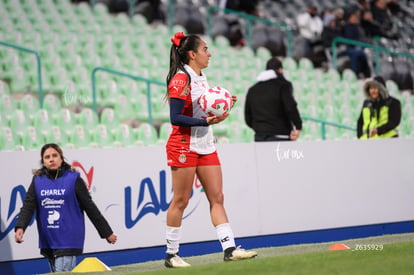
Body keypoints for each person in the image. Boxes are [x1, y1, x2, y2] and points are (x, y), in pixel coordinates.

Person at [164, 32, 257, 268]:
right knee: (181, 200)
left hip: (206, 144)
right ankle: (171, 255)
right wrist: (206, 122)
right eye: (205, 49)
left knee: (217, 197)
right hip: (183, 144)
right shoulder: (181, 78)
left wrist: (221, 105)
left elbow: (201, 109)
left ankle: (229, 249)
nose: (210, 53)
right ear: (193, 54)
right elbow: (176, 118)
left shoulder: (201, 77)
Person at [14, 143, 117, 272]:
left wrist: (106, 232)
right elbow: (28, 206)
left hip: (68, 238)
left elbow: (89, 207)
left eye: (54, 155)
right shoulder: (38, 180)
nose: (51, 159)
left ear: (61, 159)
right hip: (49, 239)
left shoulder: (73, 179)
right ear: (43, 162)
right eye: (47, 157)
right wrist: (20, 227)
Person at [245, 57, 302, 142]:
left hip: (259, 137)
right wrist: (298, 126)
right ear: (280, 70)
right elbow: (290, 107)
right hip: (281, 136)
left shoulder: (252, 90)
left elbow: (248, 117)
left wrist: (260, 129)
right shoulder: (283, 86)